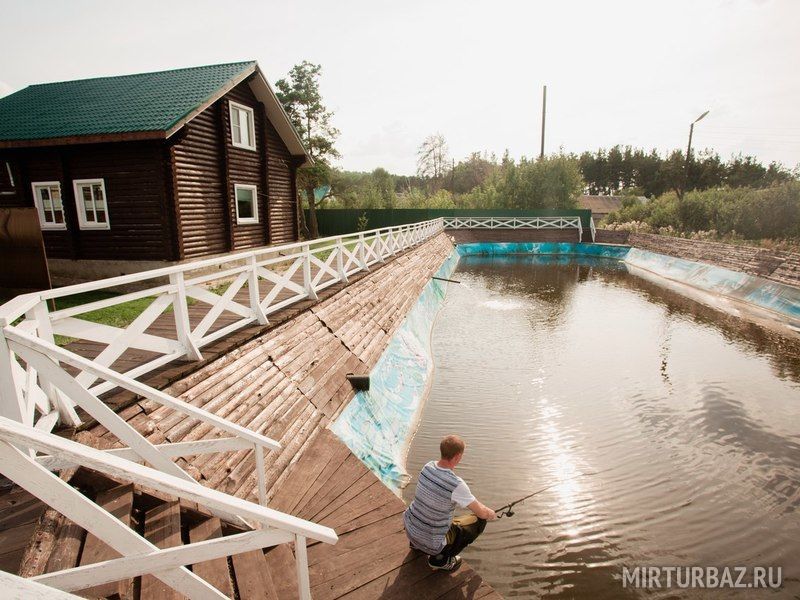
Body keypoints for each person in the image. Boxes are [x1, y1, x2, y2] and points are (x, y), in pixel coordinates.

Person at [403, 434, 497, 571]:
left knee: (426, 509)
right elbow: (481, 512)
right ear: (458, 456)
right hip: (433, 544)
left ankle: (416, 544)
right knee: (479, 520)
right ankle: (440, 560)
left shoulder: (427, 466)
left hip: (410, 529)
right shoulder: (456, 484)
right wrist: (491, 513)